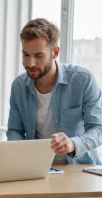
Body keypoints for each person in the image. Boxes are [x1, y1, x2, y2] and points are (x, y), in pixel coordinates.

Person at [6, 18, 102, 164]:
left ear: (55, 52)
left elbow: (98, 128)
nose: (30, 63)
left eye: (38, 56)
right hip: (35, 169)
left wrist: (73, 143)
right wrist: (21, 157)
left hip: (78, 169)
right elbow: (15, 131)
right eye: (26, 55)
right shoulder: (18, 86)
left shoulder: (83, 80)